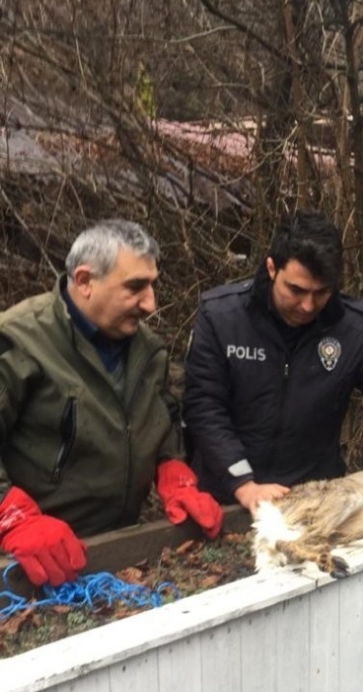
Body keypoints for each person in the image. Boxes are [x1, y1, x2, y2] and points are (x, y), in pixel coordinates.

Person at [0, 219, 223, 588]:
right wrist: (13, 517)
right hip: (27, 560)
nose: (151, 303)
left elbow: (160, 415)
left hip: (116, 548)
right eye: (136, 287)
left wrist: (172, 469)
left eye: (152, 285)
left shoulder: (147, 349)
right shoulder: (19, 340)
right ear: (85, 281)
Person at [183, 210, 363, 514]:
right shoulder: (222, 318)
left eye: (322, 292)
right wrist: (244, 484)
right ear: (272, 268)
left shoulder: (353, 329)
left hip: (313, 502)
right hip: (225, 499)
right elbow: (204, 408)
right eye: (296, 290)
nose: (308, 305)